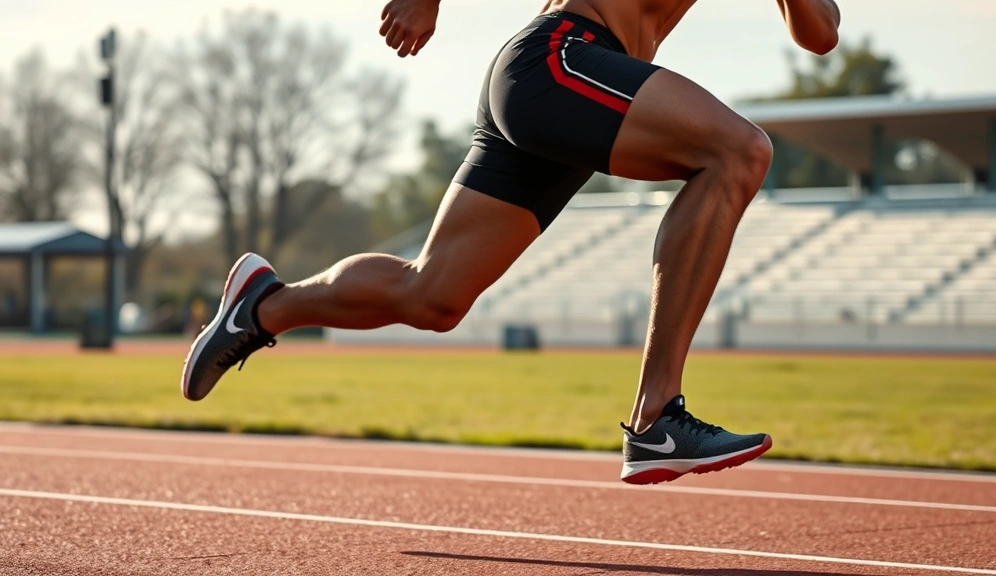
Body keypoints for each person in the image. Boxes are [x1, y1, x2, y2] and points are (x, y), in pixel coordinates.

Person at [181, 0, 840, 484]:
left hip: (580, 88)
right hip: (560, 59)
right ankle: (656, 415)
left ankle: (265, 306)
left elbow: (820, 35)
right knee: (737, 152)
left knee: (433, 296)